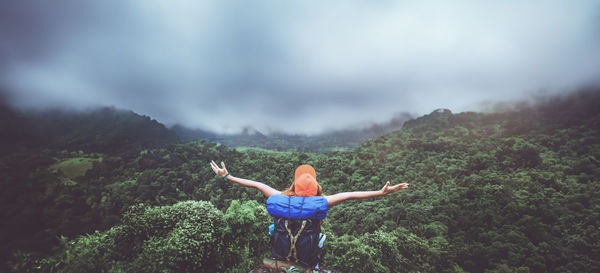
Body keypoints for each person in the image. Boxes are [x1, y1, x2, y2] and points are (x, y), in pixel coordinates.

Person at [209, 160, 409, 268]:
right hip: (308, 257)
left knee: (272, 228)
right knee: (321, 237)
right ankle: (311, 266)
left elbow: (256, 184)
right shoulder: (321, 202)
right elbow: (350, 195)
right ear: (316, 188)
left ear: (294, 186)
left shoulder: (279, 197)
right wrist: (381, 193)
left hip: (279, 252)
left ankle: (281, 260)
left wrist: (227, 176)